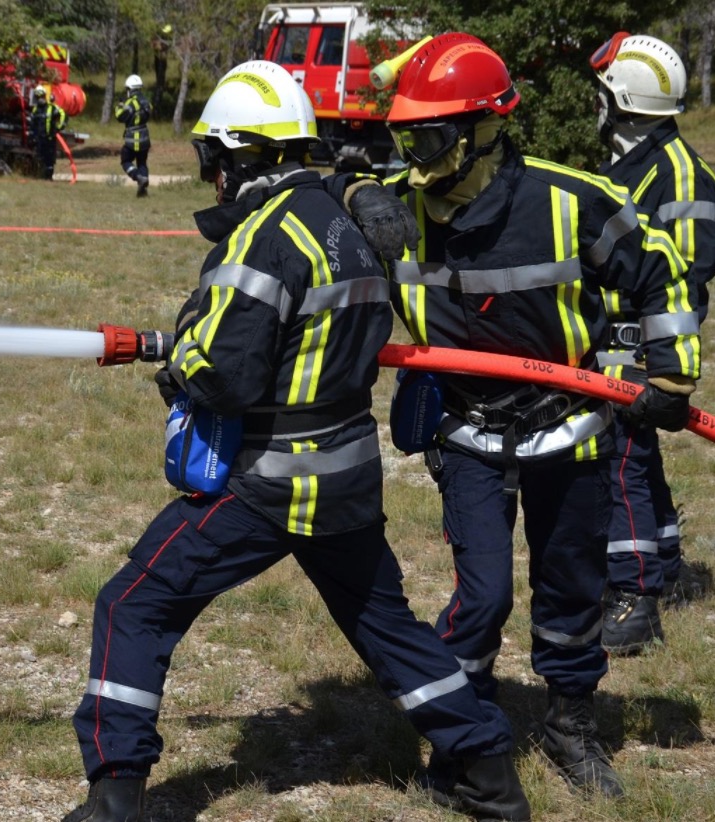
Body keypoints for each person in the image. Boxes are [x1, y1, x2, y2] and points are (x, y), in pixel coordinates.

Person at [62, 60, 531, 822]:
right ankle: (487, 772)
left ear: (241, 156)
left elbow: (220, 375)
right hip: (346, 476)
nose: (213, 177)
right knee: (386, 628)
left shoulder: (261, 240)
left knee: (134, 604)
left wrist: (178, 364)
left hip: (268, 482)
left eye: (215, 158)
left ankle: (115, 792)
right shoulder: (347, 223)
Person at [374, 32, 700, 799]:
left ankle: (568, 721)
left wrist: (669, 378)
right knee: (481, 593)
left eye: (429, 135)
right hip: (464, 428)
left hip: (572, 421)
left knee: (572, 583)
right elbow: (307, 223)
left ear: (484, 128)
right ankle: (465, 739)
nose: (414, 155)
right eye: (404, 136)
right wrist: (352, 193)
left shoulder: (570, 200)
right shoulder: (390, 209)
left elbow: (664, 273)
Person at [589, 33, 715, 655]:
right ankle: (662, 567)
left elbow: (684, 285)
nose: (597, 106)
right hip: (612, 344)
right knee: (638, 462)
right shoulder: (628, 165)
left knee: (620, 465)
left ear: (624, 98)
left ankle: (634, 598)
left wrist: (665, 375)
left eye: (603, 94)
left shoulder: (681, 175)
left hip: (640, 351)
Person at [115, 74, 150, 197]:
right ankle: (143, 189)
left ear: (130, 89)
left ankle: (138, 177)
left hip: (133, 139)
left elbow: (119, 116)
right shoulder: (146, 102)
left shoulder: (129, 103)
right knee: (142, 162)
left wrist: (119, 106)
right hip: (145, 138)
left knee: (125, 160)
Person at [28, 85, 66, 181]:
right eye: (38, 96)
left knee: (49, 159)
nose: (40, 98)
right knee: (40, 157)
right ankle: (40, 175)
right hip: (39, 139)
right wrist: (31, 136)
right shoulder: (35, 110)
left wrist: (59, 127)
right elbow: (32, 124)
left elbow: (63, 115)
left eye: (41, 96)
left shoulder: (52, 107)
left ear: (45, 95)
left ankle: (48, 177)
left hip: (49, 139)